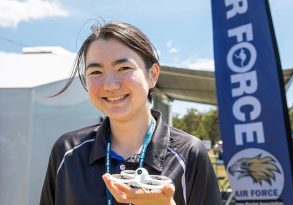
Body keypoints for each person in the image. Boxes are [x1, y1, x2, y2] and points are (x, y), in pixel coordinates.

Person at [40, 21, 222, 205]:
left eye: (123, 68)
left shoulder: (189, 153)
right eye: (96, 71)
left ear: (152, 75)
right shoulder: (67, 152)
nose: (110, 85)